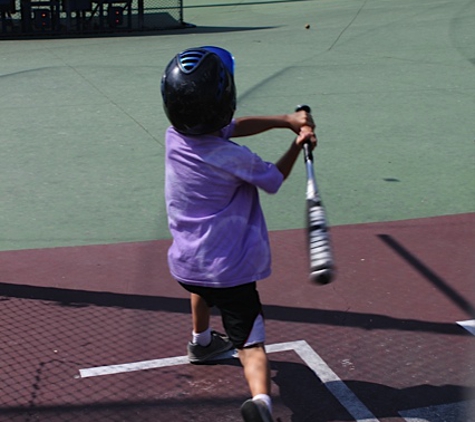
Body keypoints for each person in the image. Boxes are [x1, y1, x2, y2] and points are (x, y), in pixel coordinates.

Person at [161, 46, 317, 422]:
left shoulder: (174, 138)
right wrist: (298, 143)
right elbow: (274, 179)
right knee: (250, 342)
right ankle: (261, 401)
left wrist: (286, 120)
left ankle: (201, 343)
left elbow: (233, 125)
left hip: (187, 263)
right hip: (230, 272)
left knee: (201, 287)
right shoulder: (234, 158)